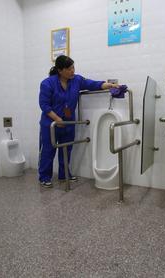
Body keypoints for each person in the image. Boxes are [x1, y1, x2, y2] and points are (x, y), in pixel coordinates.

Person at [38, 55, 119, 188]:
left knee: (67, 149)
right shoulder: (47, 83)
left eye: (73, 67)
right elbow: (44, 105)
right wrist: (57, 119)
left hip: (69, 123)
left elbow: (92, 84)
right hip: (50, 124)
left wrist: (108, 85)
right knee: (48, 150)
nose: (72, 71)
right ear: (60, 70)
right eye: (69, 69)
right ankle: (44, 177)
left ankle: (64, 174)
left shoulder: (76, 80)